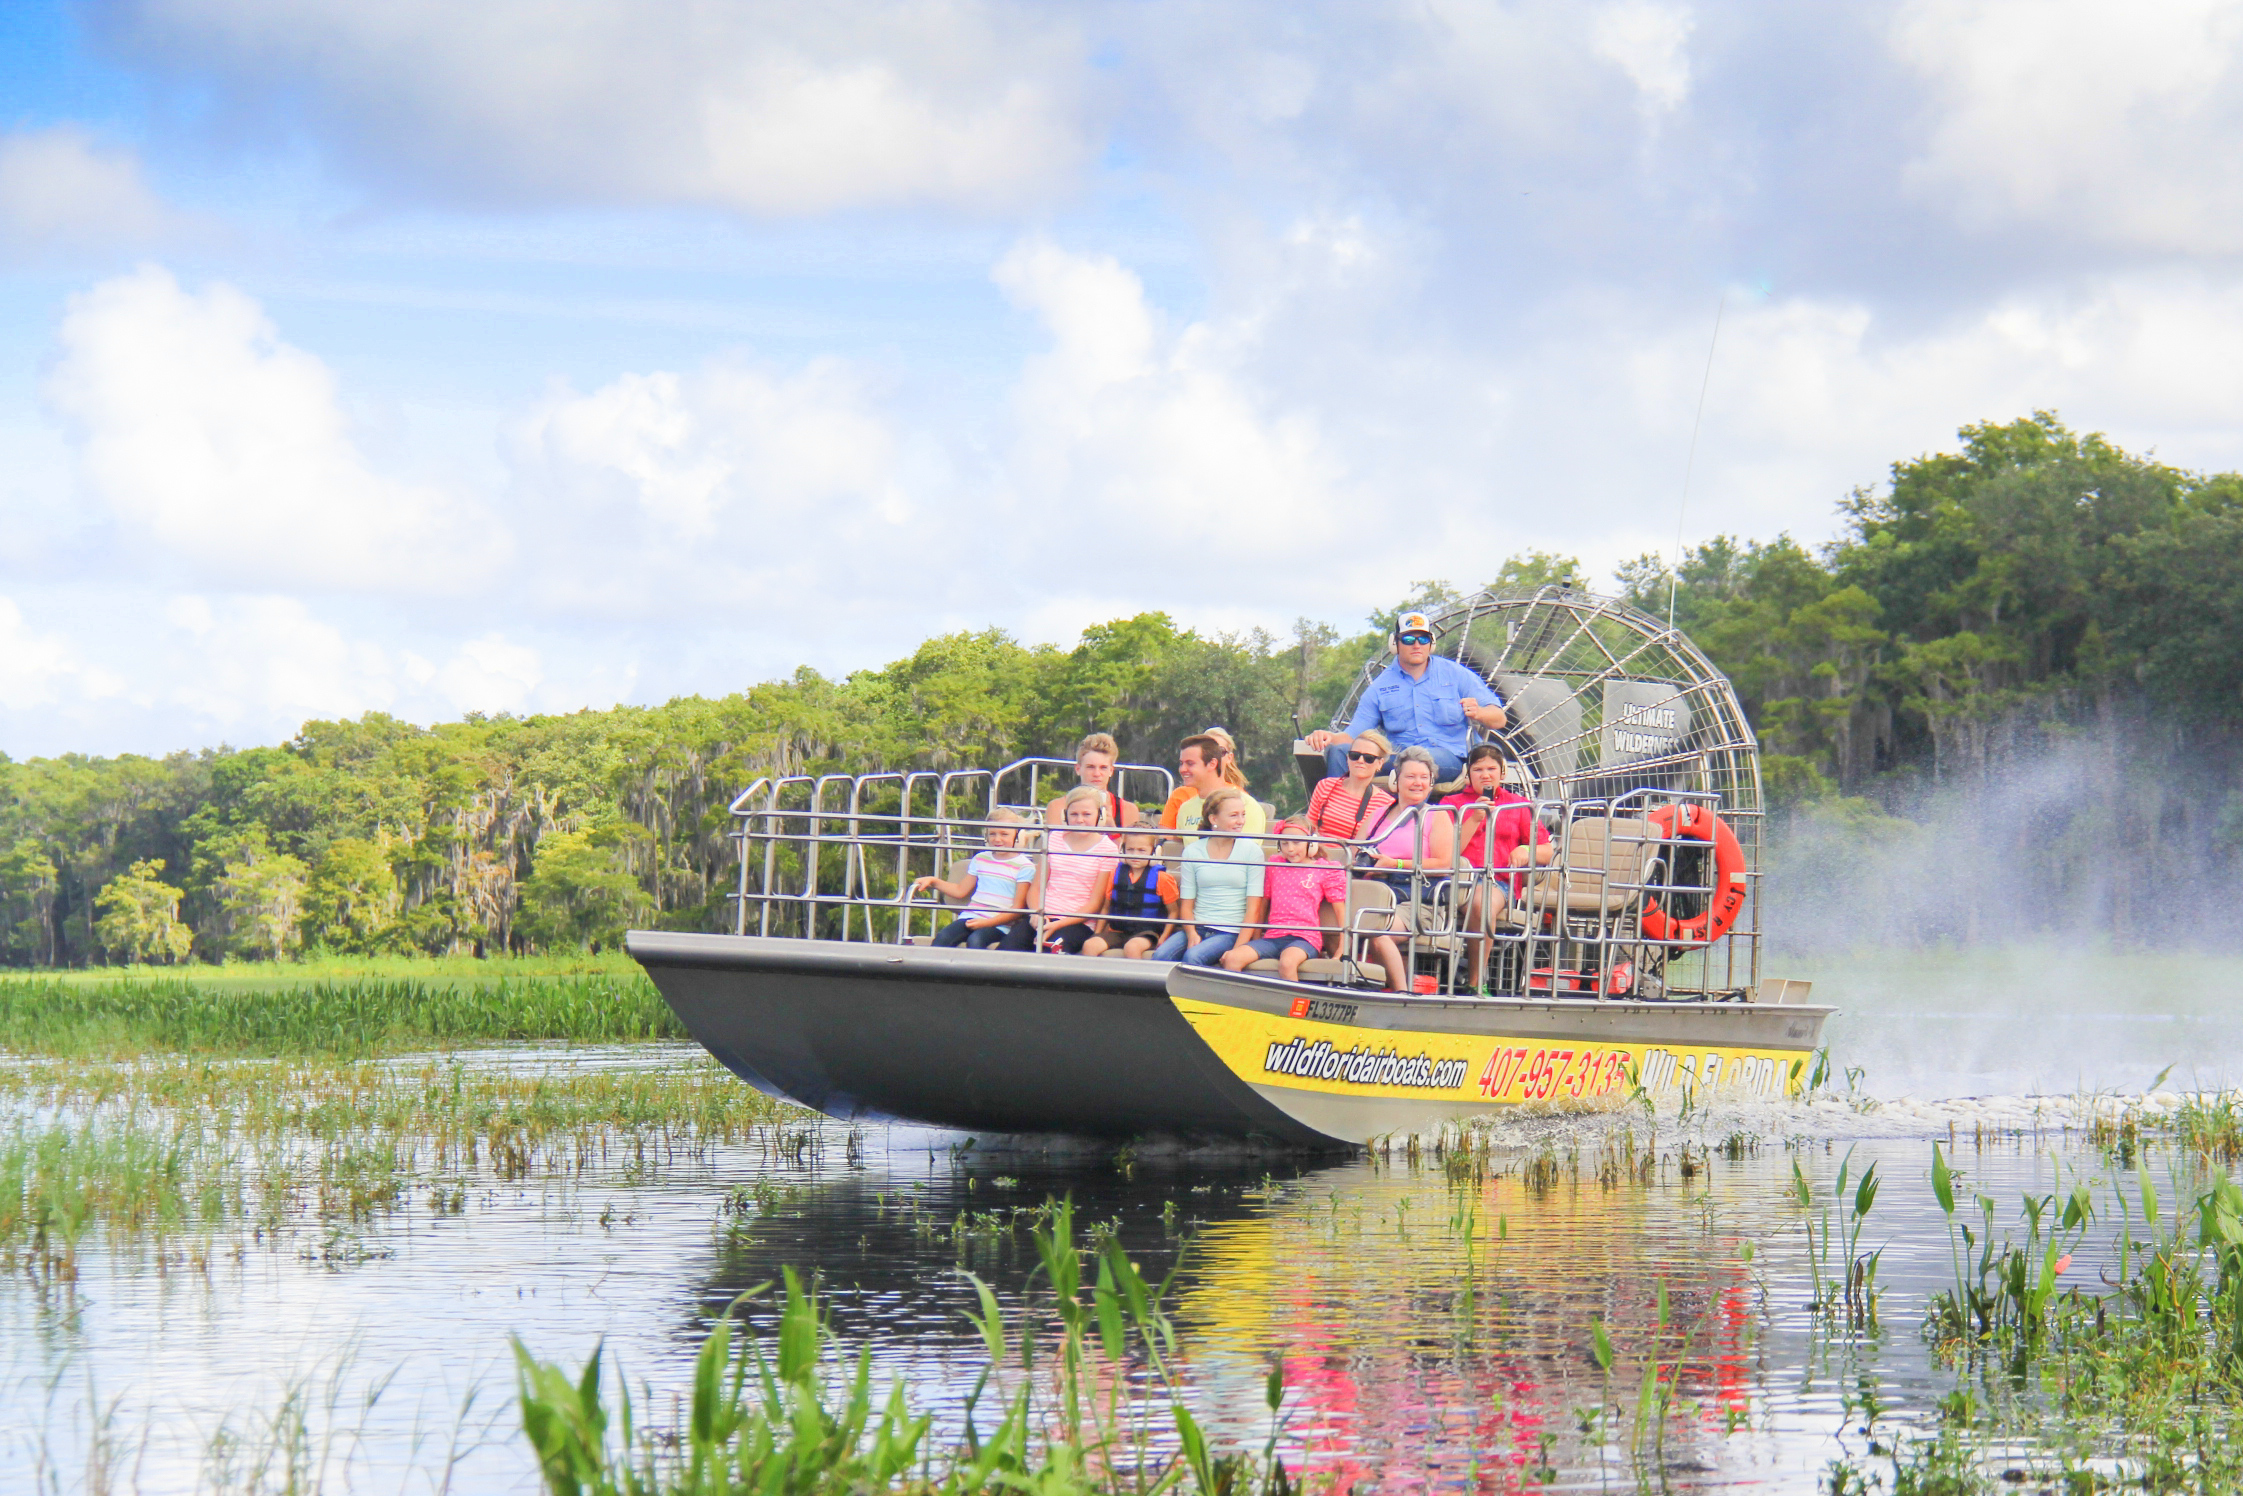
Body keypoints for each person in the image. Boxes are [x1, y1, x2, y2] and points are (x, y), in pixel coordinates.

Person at [1304, 611, 1506, 784]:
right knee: (1340, 752)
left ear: (1431, 643)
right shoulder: (1380, 687)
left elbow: (1499, 718)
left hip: (1448, 758)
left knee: (1417, 763)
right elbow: (1352, 735)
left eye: (1423, 639)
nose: (1416, 645)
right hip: (1397, 758)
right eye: (1409, 640)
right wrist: (1328, 737)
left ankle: (1413, 824)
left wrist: (1479, 712)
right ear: (1395, 644)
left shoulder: (1456, 674)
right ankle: (1334, 818)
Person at [1440, 742, 1555, 990]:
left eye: (1491, 769)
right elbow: (1447, 851)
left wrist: (1525, 850)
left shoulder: (1519, 805)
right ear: (1468, 774)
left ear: (1502, 773)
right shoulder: (1451, 803)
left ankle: (1475, 981)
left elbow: (1547, 851)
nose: (1485, 775)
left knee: (1481, 903)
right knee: (1471, 897)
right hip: (1455, 878)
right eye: (1478, 769)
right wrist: (1475, 818)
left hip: (1497, 881)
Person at [1356, 747, 1458, 991]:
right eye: (1410, 776)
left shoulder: (1437, 815)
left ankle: (1402, 993)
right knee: (1335, 919)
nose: (1417, 783)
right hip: (1376, 893)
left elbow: (1444, 864)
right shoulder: (1379, 815)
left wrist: (1396, 864)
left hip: (1416, 900)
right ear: (1396, 780)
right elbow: (1355, 852)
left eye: (1424, 777)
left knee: (1376, 931)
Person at [1152, 787, 1267, 966]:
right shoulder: (1193, 851)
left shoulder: (1252, 852)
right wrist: (1191, 933)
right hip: (1197, 926)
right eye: (1234, 815)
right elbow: (1187, 905)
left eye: (1243, 815)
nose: (1241, 821)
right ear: (1214, 819)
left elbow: (1253, 910)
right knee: (1160, 957)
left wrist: (1238, 948)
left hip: (1230, 932)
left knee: (1193, 957)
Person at [1222, 820, 1347, 982]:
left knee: (1287, 963)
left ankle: (1294, 1004)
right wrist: (1256, 939)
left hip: (1304, 937)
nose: (1291, 849)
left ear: (1311, 843)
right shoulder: (1275, 865)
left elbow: (1340, 911)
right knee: (1232, 959)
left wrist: (1341, 950)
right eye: (1285, 843)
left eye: (1297, 842)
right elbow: (1263, 905)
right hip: (1273, 936)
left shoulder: (1324, 869)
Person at [914, 808, 1034, 948]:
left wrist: (987, 923)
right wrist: (934, 882)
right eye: (992, 834)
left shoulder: (1025, 866)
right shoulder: (981, 858)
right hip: (970, 917)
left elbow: (1017, 908)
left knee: (976, 940)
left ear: (1017, 836)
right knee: (943, 938)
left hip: (999, 924)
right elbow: (960, 890)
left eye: (1004, 834)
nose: (997, 839)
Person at [1034, 785, 1121, 954]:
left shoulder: (1108, 849)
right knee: (1008, 949)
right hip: (1043, 915)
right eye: (1074, 814)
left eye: (1087, 814)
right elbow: (1036, 888)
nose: (1080, 820)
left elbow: (1095, 903)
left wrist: (1059, 923)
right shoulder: (1054, 838)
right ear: (1065, 815)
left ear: (1100, 816)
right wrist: (1037, 914)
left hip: (1078, 923)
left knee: (1049, 950)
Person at [1161, 734, 1268, 837]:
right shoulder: (1185, 809)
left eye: (1190, 763)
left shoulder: (1246, 805)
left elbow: (1247, 851)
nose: (1182, 769)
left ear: (1212, 764)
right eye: (1181, 763)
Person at [1089, 830, 1173, 957]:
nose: (1135, 855)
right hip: (1117, 931)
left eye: (1141, 850)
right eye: (1130, 849)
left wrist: (1164, 937)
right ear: (1123, 851)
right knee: (1090, 946)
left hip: (1147, 932)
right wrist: (1097, 933)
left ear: (1154, 852)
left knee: (1132, 947)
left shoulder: (1163, 878)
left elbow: (1173, 911)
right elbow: (1106, 908)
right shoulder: (1114, 875)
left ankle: (1136, 977)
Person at [1305, 727, 1396, 842]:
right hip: (1318, 855)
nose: (1360, 761)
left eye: (1369, 758)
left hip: (1351, 858)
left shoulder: (1385, 804)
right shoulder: (1325, 786)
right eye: (1355, 755)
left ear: (1379, 763)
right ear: (1347, 758)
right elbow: (1307, 828)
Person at [1044, 732, 1139, 829]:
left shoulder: (1127, 810)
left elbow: (1131, 844)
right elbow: (1055, 842)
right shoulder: (1058, 807)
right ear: (1078, 769)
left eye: (1103, 768)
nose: (1097, 774)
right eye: (1090, 767)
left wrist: (1111, 827)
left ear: (1111, 771)